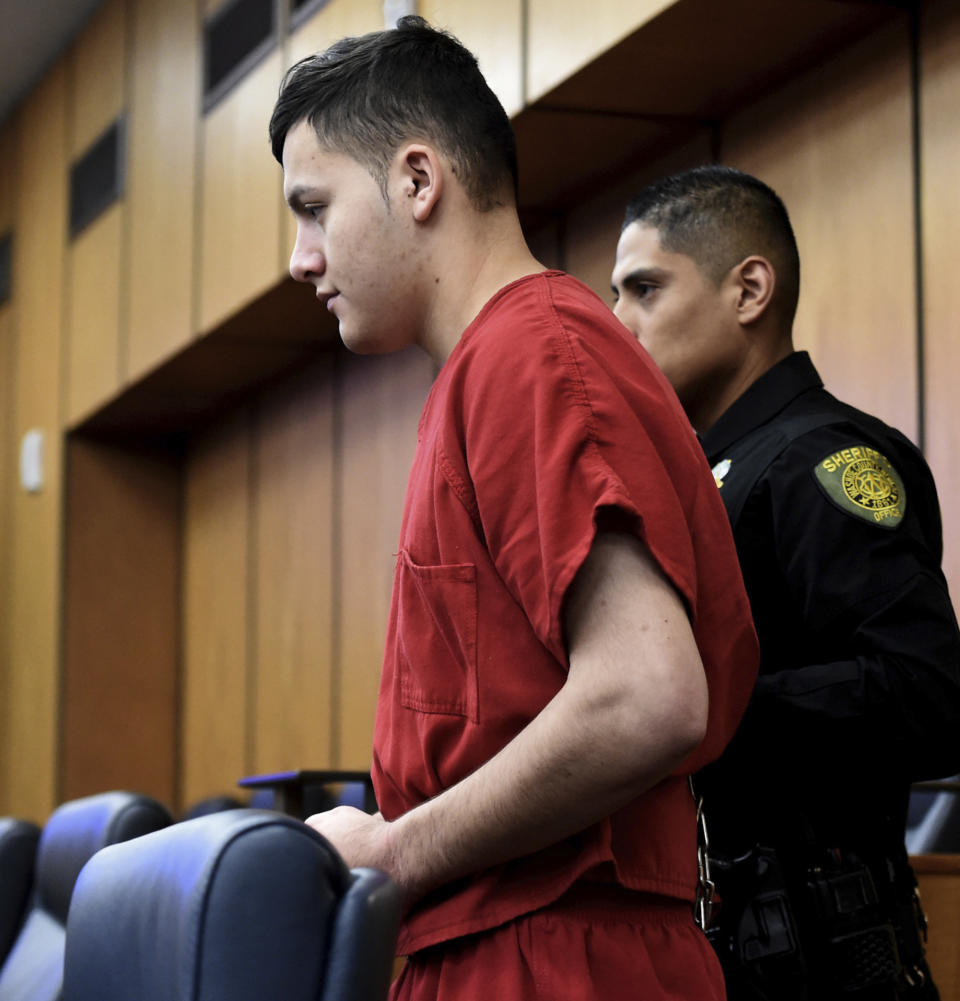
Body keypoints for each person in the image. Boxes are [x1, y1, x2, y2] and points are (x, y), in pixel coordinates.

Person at [269, 19, 759, 1001]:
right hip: (509, 943)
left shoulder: (530, 351)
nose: (300, 258)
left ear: (417, 181)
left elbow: (647, 695)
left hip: (558, 957)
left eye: (314, 208)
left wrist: (396, 850)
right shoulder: (493, 365)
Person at [611, 164, 960, 1001]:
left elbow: (927, 694)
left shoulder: (820, 459)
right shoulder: (706, 475)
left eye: (644, 289)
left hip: (828, 956)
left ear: (750, 290)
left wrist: (697, 704)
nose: (618, 323)